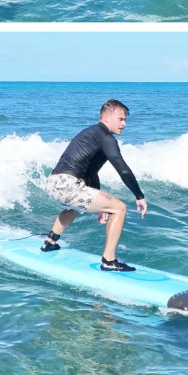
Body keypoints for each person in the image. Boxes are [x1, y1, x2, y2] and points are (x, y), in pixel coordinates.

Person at [41, 99, 148, 271]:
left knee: (74, 206)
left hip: (53, 184)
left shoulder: (90, 133)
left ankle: (50, 242)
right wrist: (139, 196)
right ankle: (109, 260)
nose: (124, 124)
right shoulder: (106, 137)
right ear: (107, 117)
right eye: (120, 119)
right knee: (119, 208)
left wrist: (101, 206)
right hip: (68, 185)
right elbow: (123, 169)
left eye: (125, 120)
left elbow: (90, 172)